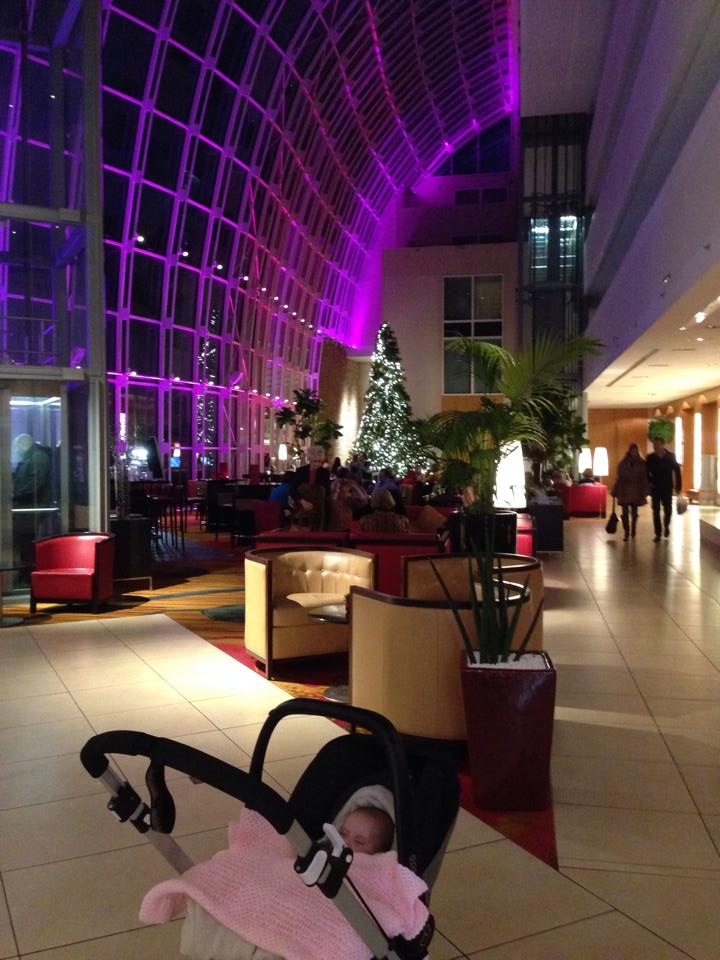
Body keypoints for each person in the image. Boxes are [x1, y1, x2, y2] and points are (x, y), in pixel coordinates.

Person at [611, 443, 651, 541]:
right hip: (625, 490)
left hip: (636, 491)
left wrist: (646, 490)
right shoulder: (623, 463)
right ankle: (627, 531)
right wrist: (615, 490)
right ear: (630, 451)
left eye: (635, 451)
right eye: (632, 451)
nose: (633, 453)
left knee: (634, 512)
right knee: (625, 513)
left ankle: (633, 528)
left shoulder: (641, 463)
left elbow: (644, 478)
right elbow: (619, 478)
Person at [646, 436, 682, 541]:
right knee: (655, 510)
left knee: (668, 509)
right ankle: (658, 533)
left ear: (662, 444)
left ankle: (666, 525)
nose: (655, 446)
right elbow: (646, 472)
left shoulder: (670, 456)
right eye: (654, 444)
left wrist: (678, 487)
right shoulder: (651, 457)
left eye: (657, 444)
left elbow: (677, 471)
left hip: (667, 487)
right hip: (655, 487)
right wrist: (649, 482)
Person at [289, 445, 331, 529]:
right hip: (302, 506)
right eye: (314, 461)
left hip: (319, 507)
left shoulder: (325, 473)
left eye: (319, 461)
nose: (317, 464)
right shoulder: (301, 471)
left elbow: (327, 491)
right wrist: (301, 500)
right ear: (309, 459)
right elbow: (292, 490)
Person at [12, 434, 53, 506]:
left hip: (34, 505)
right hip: (30, 503)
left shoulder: (38, 457)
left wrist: (17, 495)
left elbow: (36, 481)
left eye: (16, 447)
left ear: (22, 444)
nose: (16, 450)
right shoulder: (30, 457)